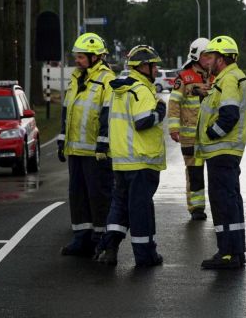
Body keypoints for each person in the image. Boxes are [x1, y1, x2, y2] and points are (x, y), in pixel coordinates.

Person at [94, 45, 167, 267]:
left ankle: (109, 249)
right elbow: (143, 121)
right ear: (143, 66)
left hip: (122, 162)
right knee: (140, 210)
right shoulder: (141, 90)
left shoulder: (120, 90)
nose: (156, 70)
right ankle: (145, 256)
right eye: (154, 66)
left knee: (120, 207)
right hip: (142, 161)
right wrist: (161, 110)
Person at [57, 33, 116, 256]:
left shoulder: (106, 80)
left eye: (81, 57)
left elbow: (108, 114)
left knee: (99, 196)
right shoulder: (75, 78)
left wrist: (103, 145)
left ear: (95, 57)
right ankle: (81, 238)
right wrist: (62, 140)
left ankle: (101, 238)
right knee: (77, 195)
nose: (77, 60)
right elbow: (67, 111)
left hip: (96, 152)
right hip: (76, 150)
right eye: (77, 56)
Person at [196, 35, 246, 269]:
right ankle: (235, 252)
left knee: (223, 203)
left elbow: (229, 115)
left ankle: (227, 253)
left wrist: (210, 133)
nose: (207, 61)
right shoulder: (230, 78)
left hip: (221, 150)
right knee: (231, 201)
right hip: (226, 151)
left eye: (211, 56)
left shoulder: (228, 79)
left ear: (221, 58)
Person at [168, 37, 213, 220]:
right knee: (194, 173)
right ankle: (196, 208)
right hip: (190, 135)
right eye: (205, 55)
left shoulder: (217, 75)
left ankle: (214, 206)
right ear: (196, 56)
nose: (208, 58)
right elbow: (174, 103)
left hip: (211, 134)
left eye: (211, 55)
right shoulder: (184, 77)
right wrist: (173, 128)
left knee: (215, 173)